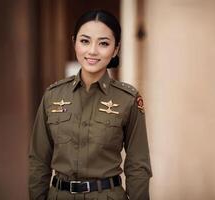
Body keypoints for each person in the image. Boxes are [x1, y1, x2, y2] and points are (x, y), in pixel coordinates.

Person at [28, 10, 152, 200]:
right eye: (85, 41)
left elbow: (138, 166)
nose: (92, 51)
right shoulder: (53, 96)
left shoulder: (128, 99)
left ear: (116, 49)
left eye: (103, 43)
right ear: (74, 43)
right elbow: (38, 161)